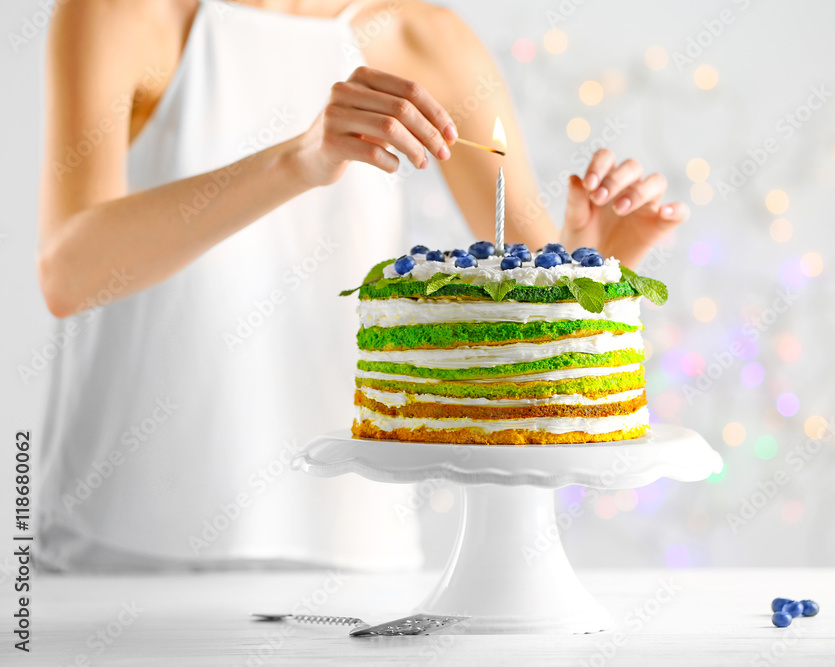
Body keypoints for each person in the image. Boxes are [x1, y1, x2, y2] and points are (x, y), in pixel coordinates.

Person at [36, 0, 690, 571]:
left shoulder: (428, 40)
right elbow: (68, 273)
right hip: (117, 546)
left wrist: (596, 256)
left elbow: (544, 314)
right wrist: (299, 160)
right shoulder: (120, 13)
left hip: (353, 552)